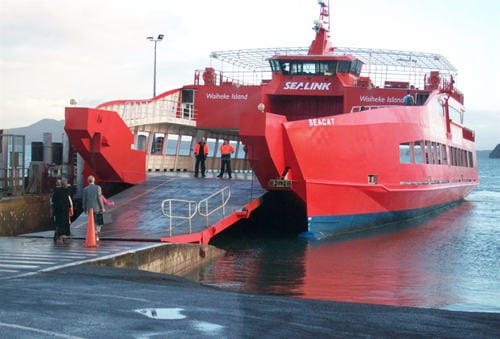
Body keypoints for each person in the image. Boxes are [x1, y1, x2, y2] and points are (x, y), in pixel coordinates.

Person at [82, 175, 105, 241]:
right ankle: (96, 233)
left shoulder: (85, 189)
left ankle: (93, 234)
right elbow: (99, 198)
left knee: (92, 222)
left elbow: (84, 200)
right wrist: (102, 207)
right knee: (98, 222)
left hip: (89, 209)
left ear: (88, 181)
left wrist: (84, 209)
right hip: (97, 208)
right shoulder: (98, 187)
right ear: (94, 180)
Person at [50, 179, 72, 243]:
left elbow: (53, 200)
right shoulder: (67, 191)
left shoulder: (56, 191)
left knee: (58, 223)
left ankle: (58, 235)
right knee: (65, 223)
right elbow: (70, 188)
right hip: (65, 210)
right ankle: (64, 235)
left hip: (58, 210)